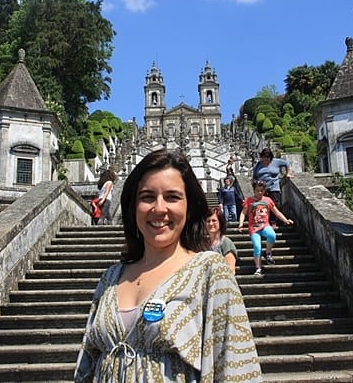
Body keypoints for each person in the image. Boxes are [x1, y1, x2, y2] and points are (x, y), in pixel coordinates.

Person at [74, 149, 261, 382]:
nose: (159, 208)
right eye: (147, 197)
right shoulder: (111, 277)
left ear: (189, 207)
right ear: (133, 206)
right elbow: (86, 365)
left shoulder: (210, 271)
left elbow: (237, 368)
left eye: (172, 197)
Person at [238, 180, 294, 276]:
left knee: (272, 235)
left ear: (264, 191)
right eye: (257, 191)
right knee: (257, 246)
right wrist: (241, 224)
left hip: (265, 226)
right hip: (254, 228)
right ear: (254, 190)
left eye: (261, 191)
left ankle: (268, 252)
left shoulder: (268, 200)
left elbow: (276, 212)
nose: (259, 193)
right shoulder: (248, 200)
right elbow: (243, 213)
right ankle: (258, 268)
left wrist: (285, 220)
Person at [252, 147, 293, 227]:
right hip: (262, 188)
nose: (265, 160)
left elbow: (287, 164)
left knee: (274, 204)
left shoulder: (276, 162)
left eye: (267, 158)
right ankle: (264, 222)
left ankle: (273, 222)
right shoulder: (258, 164)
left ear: (270, 157)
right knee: (263, 205)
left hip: (274, 186)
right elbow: (255, 176)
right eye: (264, 158)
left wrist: (288, 173)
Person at [206, 207, 238, 274]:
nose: (211, 223)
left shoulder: (226, 243)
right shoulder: (205, 244)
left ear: (220, 223)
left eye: (214, 220)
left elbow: (231, 270)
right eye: (208, 221)